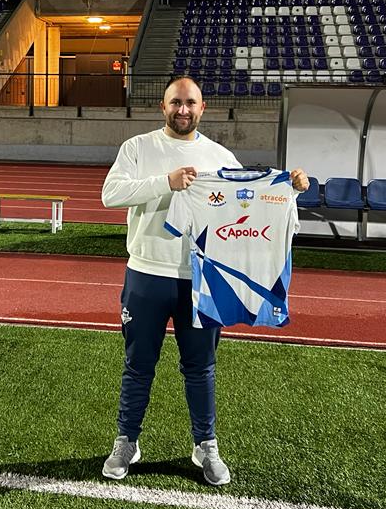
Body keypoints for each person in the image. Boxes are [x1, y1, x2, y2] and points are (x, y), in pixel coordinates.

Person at [100, 75, 308, 486]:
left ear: (202, 108)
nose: (183, 109)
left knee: (200, 367)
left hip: (200, 280)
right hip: (146, 272)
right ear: (163, 107)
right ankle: (127, 440)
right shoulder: (137, 148)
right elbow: (110, 194)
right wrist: (166, 183)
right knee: (138, 365)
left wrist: (291, 191)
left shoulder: (220, 156)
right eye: (175, 102)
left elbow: (246, 204)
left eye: (190, 103)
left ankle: (205, 445)